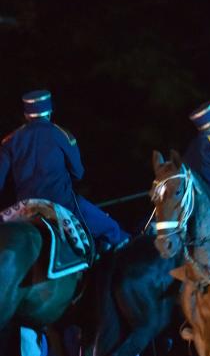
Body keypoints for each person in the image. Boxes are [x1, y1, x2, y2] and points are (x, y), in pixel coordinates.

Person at [0, 89, 128, 251]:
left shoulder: (9, 140)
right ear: (50, 112)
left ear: (26, 115)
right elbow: (78, 173)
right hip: (61, 203)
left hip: (25, 207)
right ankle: (122, 241)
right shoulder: (62, 135)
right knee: (111, 228)